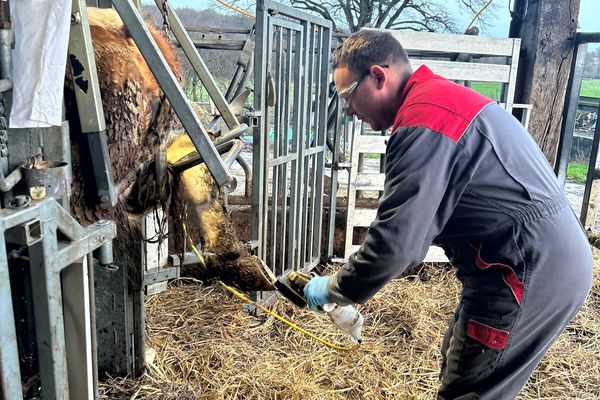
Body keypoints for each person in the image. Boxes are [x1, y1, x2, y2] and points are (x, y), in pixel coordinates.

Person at [303, 29, 593, 399]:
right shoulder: (437, 101)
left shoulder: (426, 122)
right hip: (529, 260)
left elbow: (397, 244)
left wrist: (336, 288)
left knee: (472, 388)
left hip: (525, 268)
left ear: (378, 76)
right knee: (459, 354)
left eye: (347, 95)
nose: (347, 109)